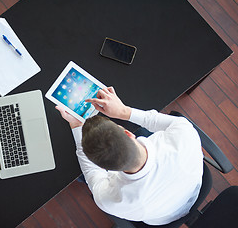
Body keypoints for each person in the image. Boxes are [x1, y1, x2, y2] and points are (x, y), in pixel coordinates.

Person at [56, 87, 203, 226]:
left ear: (104, 169)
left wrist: (76, 125)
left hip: (161, 216)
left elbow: (91, 172)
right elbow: (155, 120)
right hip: (190, 190)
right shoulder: (185, 136)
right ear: (128, 133)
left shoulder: (110, 201)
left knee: (78, 172)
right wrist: (123, 111)